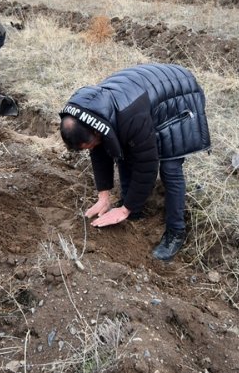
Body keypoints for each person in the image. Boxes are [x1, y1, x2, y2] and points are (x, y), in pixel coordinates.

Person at [59, 63, 210, 261]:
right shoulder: (85, 114)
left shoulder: (129, 117)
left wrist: (124, 209)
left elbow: (147, 165)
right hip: (145, 93)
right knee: (123, 149)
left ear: (96, 131)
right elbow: (100, 149)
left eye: (90, 143)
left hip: (179, 97)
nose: (91, 148)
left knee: (170, 168)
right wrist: (104, 196)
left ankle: (176, 232)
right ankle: (135, 208)